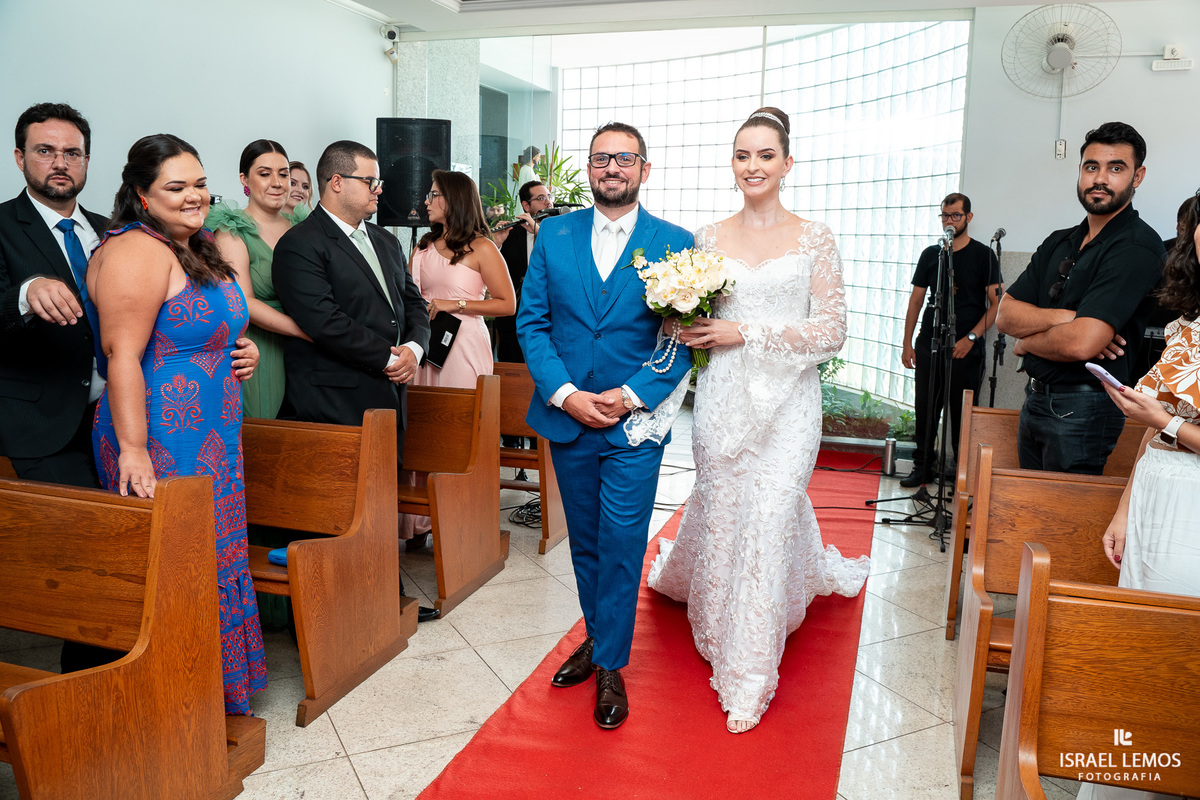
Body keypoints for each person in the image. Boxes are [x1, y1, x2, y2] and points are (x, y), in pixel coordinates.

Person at [646, 107, 870, 734]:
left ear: (787, 163)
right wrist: (677, 316)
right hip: (722, 399)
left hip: (790, 403)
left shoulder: (816, 238)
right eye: (743, 155)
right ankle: (718, 626)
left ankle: (747, 666)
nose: (753, 166)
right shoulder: (708, 239)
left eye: (765, 155)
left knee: (771, 513)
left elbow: (832, 332)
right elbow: (687, 321)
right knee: (723, 507)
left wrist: (744, 331)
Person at [517, 122, 693, 730]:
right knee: (586, 541)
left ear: (645, 169)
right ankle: (598, 638)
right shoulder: (554, 235)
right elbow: (532, 324)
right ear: (588, 169)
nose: (611, 167)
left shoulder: (675, 244)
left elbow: (681, 339)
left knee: (621, 541)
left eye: (624, 158)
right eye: (600, 158)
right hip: (569, 418)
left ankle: (611, 664)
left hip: (631, 426)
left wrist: (627, 395)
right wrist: (566, 396)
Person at [85, 133, 266, 714]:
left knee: (212, 554)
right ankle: (178, 703)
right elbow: (122, 357)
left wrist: (245, 350)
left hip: (213, 435)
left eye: (200, 183)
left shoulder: (198, 243)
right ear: (141, 194)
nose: (195, 196)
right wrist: (134, 449)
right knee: (179, 563)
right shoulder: (136, 250)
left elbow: (215, 325)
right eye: (176, 187)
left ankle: (214, 693)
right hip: (162, 438)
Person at [271, 140, 435, 621]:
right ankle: (343, 610)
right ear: (336, 182)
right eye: (370, 181)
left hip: (388, 392)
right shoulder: (301, 244)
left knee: (381, 499)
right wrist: (387, 359)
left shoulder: (385, 239)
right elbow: (323, 321)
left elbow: (412, 303)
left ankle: (381, 596)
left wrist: (415, 349)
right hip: (334, 395)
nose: (379, 189)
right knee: (343, 507)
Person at [1079, 189, 1200, 800]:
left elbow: (1170, 424)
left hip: (1196, 508)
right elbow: (1158, 431)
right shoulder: (1188, 325)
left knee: (1175, 661)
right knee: (1140, 650)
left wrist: (1169, 422)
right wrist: (1125, 510)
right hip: (1158, 491)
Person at [1, 102, 113, 674]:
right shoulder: (1, 227)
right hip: (43, 424)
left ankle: (119, 677)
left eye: (72, 152)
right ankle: (86, 691)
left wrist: (224, 344)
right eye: (45, 150)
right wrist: (26, 292)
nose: (59, 162)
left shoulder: (110, 232)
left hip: (117, 421)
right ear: (20, 157)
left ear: (87, 160)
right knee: (96, 551)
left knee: (134, 545)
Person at [997, 121, 1164, 474]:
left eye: (1116, 168)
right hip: (1036, 399)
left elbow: (1082, 345)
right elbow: (1005, 316)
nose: (1100, 178)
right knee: (1031, 511)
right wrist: (1069, 317)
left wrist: (1027, 344)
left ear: (1138, 176)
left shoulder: (1136, 246)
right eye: (1092, 167)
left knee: (1060, 522)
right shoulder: (1060, 240)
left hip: (1085, 407)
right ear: (1080, 172)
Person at [399, 169, 514, 548]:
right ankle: (418, 523)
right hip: (426, 348)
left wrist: (458, 303)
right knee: (423, 430)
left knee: (459, 432)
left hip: (464, 347)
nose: (427, 201)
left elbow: (507, 304)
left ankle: (461, 520)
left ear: (454, 199)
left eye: (434, 195)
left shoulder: (482, 247)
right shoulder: (422, 246)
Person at [899, 193, 1002, 487]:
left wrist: (971, 338)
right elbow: (916, 301)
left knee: (963, 413)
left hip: (966, 349)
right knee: (926, 407)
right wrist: (908, 342)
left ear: (969, 218)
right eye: (944, 215)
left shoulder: (984, 256)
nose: (949, 221)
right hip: (931, 343)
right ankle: (923, 468)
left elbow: (997, 304)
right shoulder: (932, 255)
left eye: (955, 215)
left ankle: (962, 474)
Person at [208, 140, 309, 420]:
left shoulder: (303, 227)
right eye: (265, 174)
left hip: (307, 349)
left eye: (284, 173)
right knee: (266, 436)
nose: (277, 183)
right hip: (260, 347)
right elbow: (244, 300)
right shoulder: (232, 230)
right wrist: (307, 331)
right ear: (245, 179)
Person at [491, 179, 552, 364]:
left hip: (551, 317)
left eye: (549, 197)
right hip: (514, 319)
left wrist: (539, 232)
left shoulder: (558, 231)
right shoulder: (512, 232)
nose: (548, 202)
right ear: (526, 205)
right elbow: (491, 271)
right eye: (541, 198)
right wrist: (496, 243)